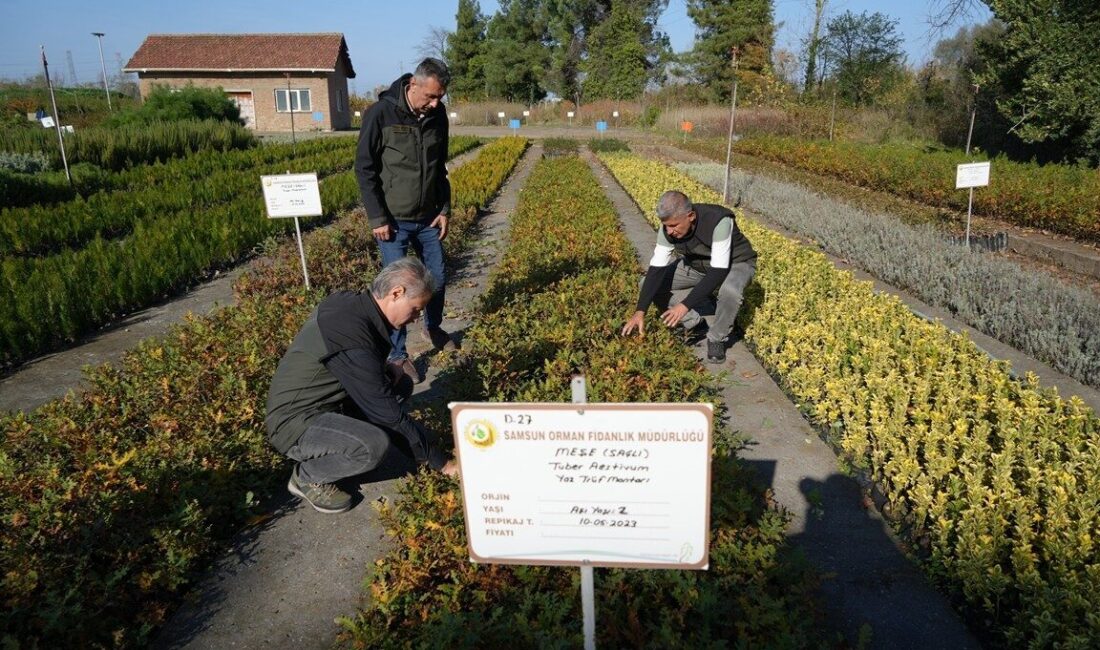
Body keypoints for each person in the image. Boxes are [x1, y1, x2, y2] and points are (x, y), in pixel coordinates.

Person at [265, 258, 458, 514]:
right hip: (295, 424)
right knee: (372, 446)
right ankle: (308, 475)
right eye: (415, 309)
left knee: (399, 385)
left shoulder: (352, 304)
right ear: (396, 293)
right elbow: (387, 413)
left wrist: (383, 369)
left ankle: (352, 433)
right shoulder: (351, 334)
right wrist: (442, 464)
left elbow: (354, 365)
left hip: (326, 403)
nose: (415, 318)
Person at [355, 57, 455, 384]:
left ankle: (433, 326)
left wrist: (444, 209)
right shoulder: (380, 113)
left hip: (428, 217)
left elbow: (440, 167)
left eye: (440, 97)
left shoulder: (438, 116)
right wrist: (377, 216)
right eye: (430, 96)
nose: (435, 103)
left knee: (437, 276)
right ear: (413, 84)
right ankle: (398, 354)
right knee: (397, 291)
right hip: (393, 222)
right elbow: (365, 169)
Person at [621, 190, 757, 363]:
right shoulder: (667, 229)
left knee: (730, 292)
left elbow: (718, 271)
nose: (669, 231)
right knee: (646, 283)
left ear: (691, 216)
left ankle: (716, 338)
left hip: (735, 263)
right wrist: (640, 311)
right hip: (697, 265)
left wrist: (684, 305)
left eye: (674, 225)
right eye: (666, 226)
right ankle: (694, 324)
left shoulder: (719, 221)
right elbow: (656, 269)